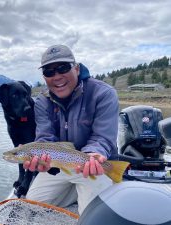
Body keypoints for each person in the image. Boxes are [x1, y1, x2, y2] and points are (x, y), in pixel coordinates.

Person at [23, 44, 119, 215]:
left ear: (76, 68)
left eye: (63, 68)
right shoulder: (42, 101)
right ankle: (77, 190)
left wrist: (93, 154)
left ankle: (85, 189)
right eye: (49, 72)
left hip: (94, 166)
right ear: (44, 76)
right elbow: (45, 138)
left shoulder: (103, 94)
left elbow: (103, 138)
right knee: (31, 208)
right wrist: (43, 160)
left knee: (92, 217)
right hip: (61, 165)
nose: (57, 76)